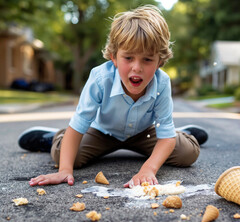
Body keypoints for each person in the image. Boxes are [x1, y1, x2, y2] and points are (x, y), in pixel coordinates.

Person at [18, 5, 208, 188]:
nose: (137, 67)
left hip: (145, 133)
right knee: (65, 157)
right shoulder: (100, 78)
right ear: (113, 57)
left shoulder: (162, 82)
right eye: (128, 58)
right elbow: (79, 124)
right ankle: (54, 137)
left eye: (148, 59)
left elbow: (165, 138)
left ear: (160, 62)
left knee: (187, 154)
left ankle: (179, 134)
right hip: (102, 132)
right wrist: (64, 170)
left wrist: (148, 169)